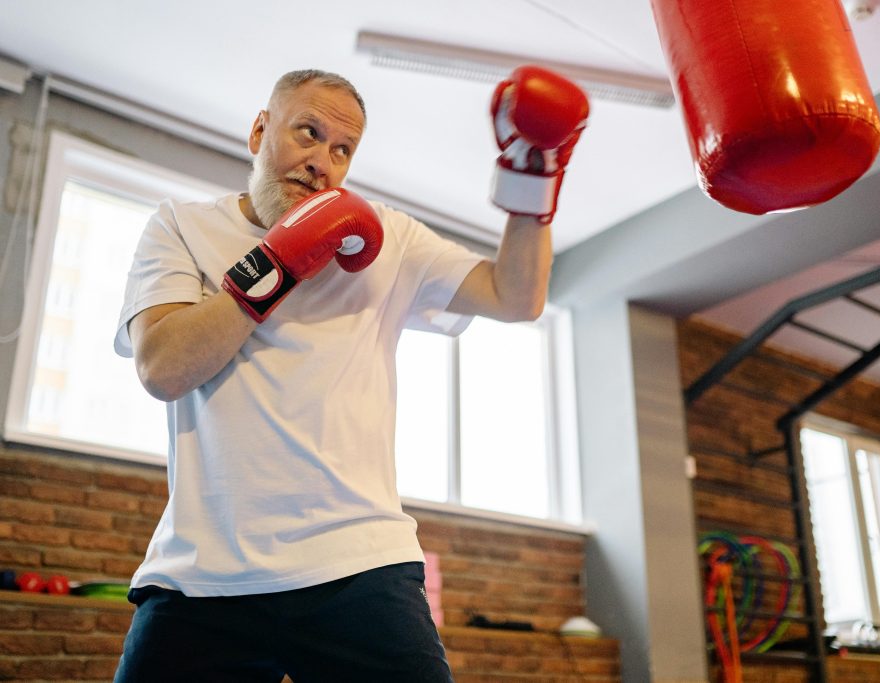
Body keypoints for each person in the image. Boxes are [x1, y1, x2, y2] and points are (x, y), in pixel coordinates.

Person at [112, 66, 588, 682]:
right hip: (202, 577)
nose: (322, 161)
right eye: (308, 133)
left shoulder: (390, 238)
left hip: (359, 565)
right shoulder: (179, 224)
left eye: (342, 150)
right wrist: (280, 259)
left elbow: (515, 296)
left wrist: (532, 185)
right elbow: (163, 367)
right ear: (259, 132)